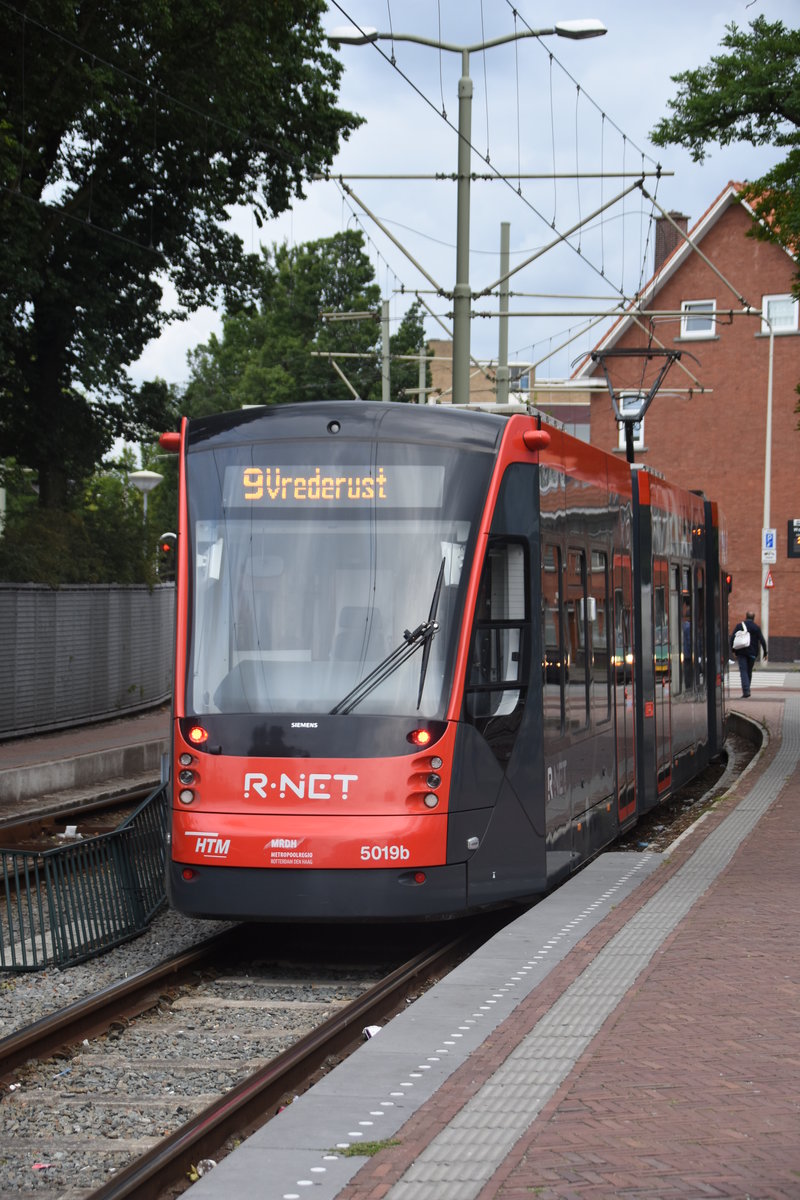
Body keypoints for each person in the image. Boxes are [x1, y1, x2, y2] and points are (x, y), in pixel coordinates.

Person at [730, 610, 767, 698]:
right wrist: (765, 653)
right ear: (753, 618)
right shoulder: (756, 627)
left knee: (743, 671)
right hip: (752, 654)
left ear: (746, 617)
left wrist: (733, 651)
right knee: (749, 671)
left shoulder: (739, 626)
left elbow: (732, 638)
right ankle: (747, 689)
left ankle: (746, 691)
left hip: (741, 653)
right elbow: (762, 641)